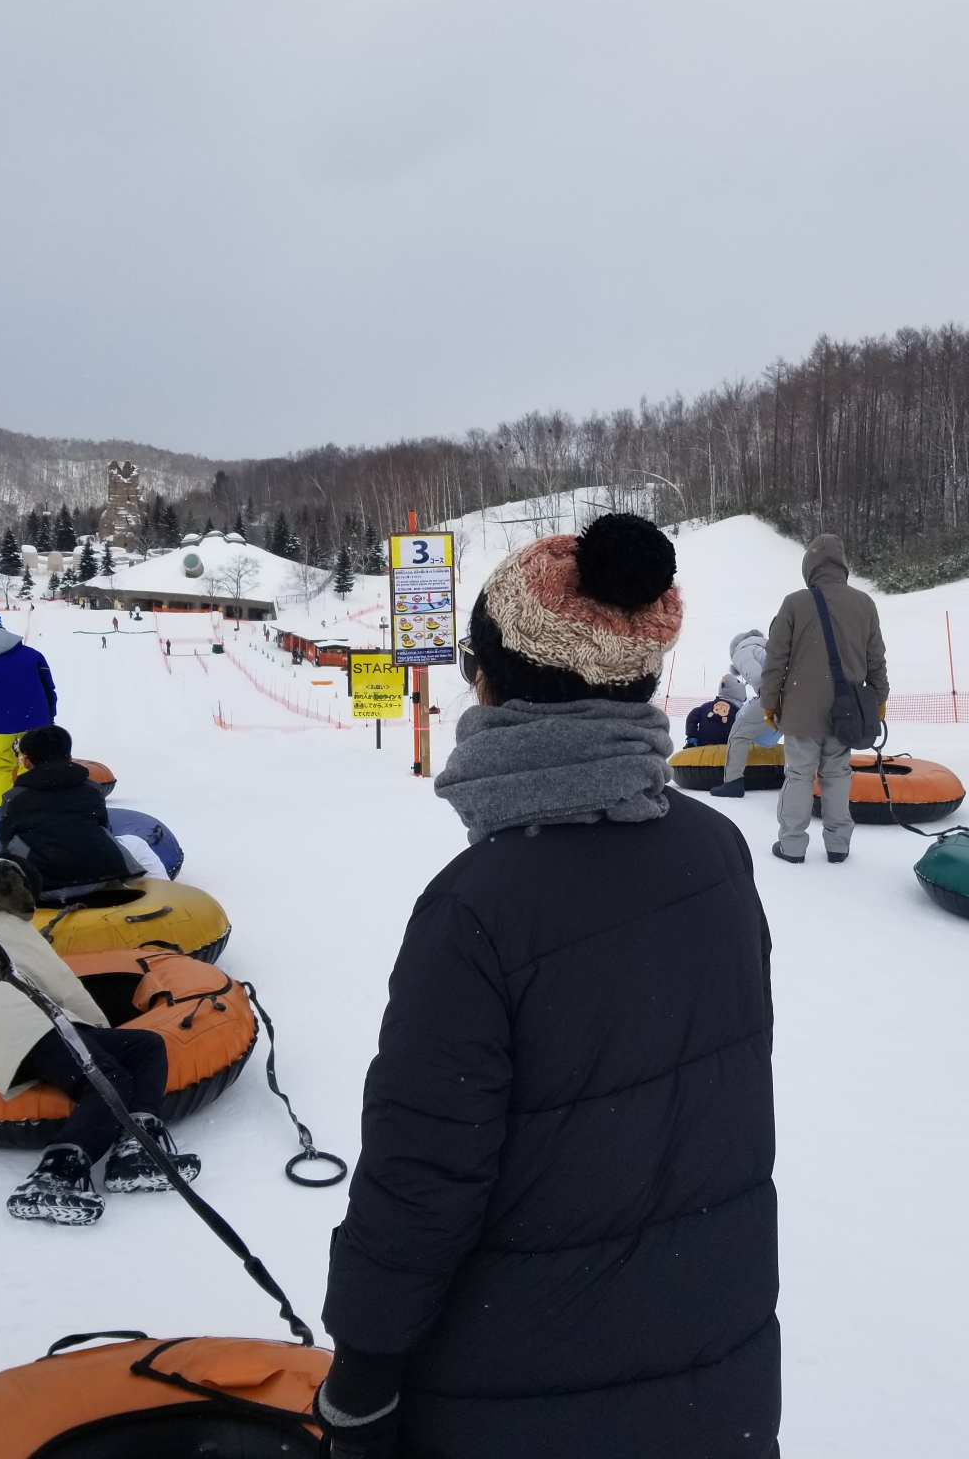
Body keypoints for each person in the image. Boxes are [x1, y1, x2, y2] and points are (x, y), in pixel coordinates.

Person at [316, 513, 779, 1459]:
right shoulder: (715, 849)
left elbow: (421, 1181)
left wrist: (363, 1373)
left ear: (492, 684)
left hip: (519, 1392)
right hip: (713, 1371)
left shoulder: (476, 908)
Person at [0, 858, 198, 1226]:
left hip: (10, 1015)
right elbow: (61, 983)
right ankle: (55, 1175)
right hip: (15, 1016)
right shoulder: (0, 924)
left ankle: (138, 1145)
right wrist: (99, 1029)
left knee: (145, 1045)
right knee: (106, 1080)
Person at [758, 534, 887, 864]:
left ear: (810, 566)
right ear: (843, 565)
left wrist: (769, 702)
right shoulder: (864, 604)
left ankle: (792, 846)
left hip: (801, 712)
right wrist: (879, 699)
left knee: (799, 776)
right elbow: (876, 659)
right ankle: (839, 845)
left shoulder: (795, 603)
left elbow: (776, 659)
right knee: (837, 776)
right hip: (847, 713)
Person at [0, 725, 162, 892]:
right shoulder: (93, 789)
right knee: (136, 843)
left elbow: (3, 844)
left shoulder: (13, 797)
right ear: (70, 757)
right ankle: (163, 897)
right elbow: (105, 827)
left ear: (26, 761)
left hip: (43, 887)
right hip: (98, 879)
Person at [0, 608, 58, 808]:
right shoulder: (33, 656)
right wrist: (50, 722)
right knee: (34, 764)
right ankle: (34, 810)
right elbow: (49, 690)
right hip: (37, 724)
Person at [710, 627, 773, 799]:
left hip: (777, 694)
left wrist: (764, 697)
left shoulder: (742, 651)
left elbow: (758, 677)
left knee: (739, 733)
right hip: (799, 693)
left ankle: (733, 782)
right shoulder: (766, 648)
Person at [685, 683, 740, 747]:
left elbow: (692, 717)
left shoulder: (706, 706)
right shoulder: (738, 711)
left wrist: (692, 736)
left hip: (703, 747)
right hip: (726, 750)